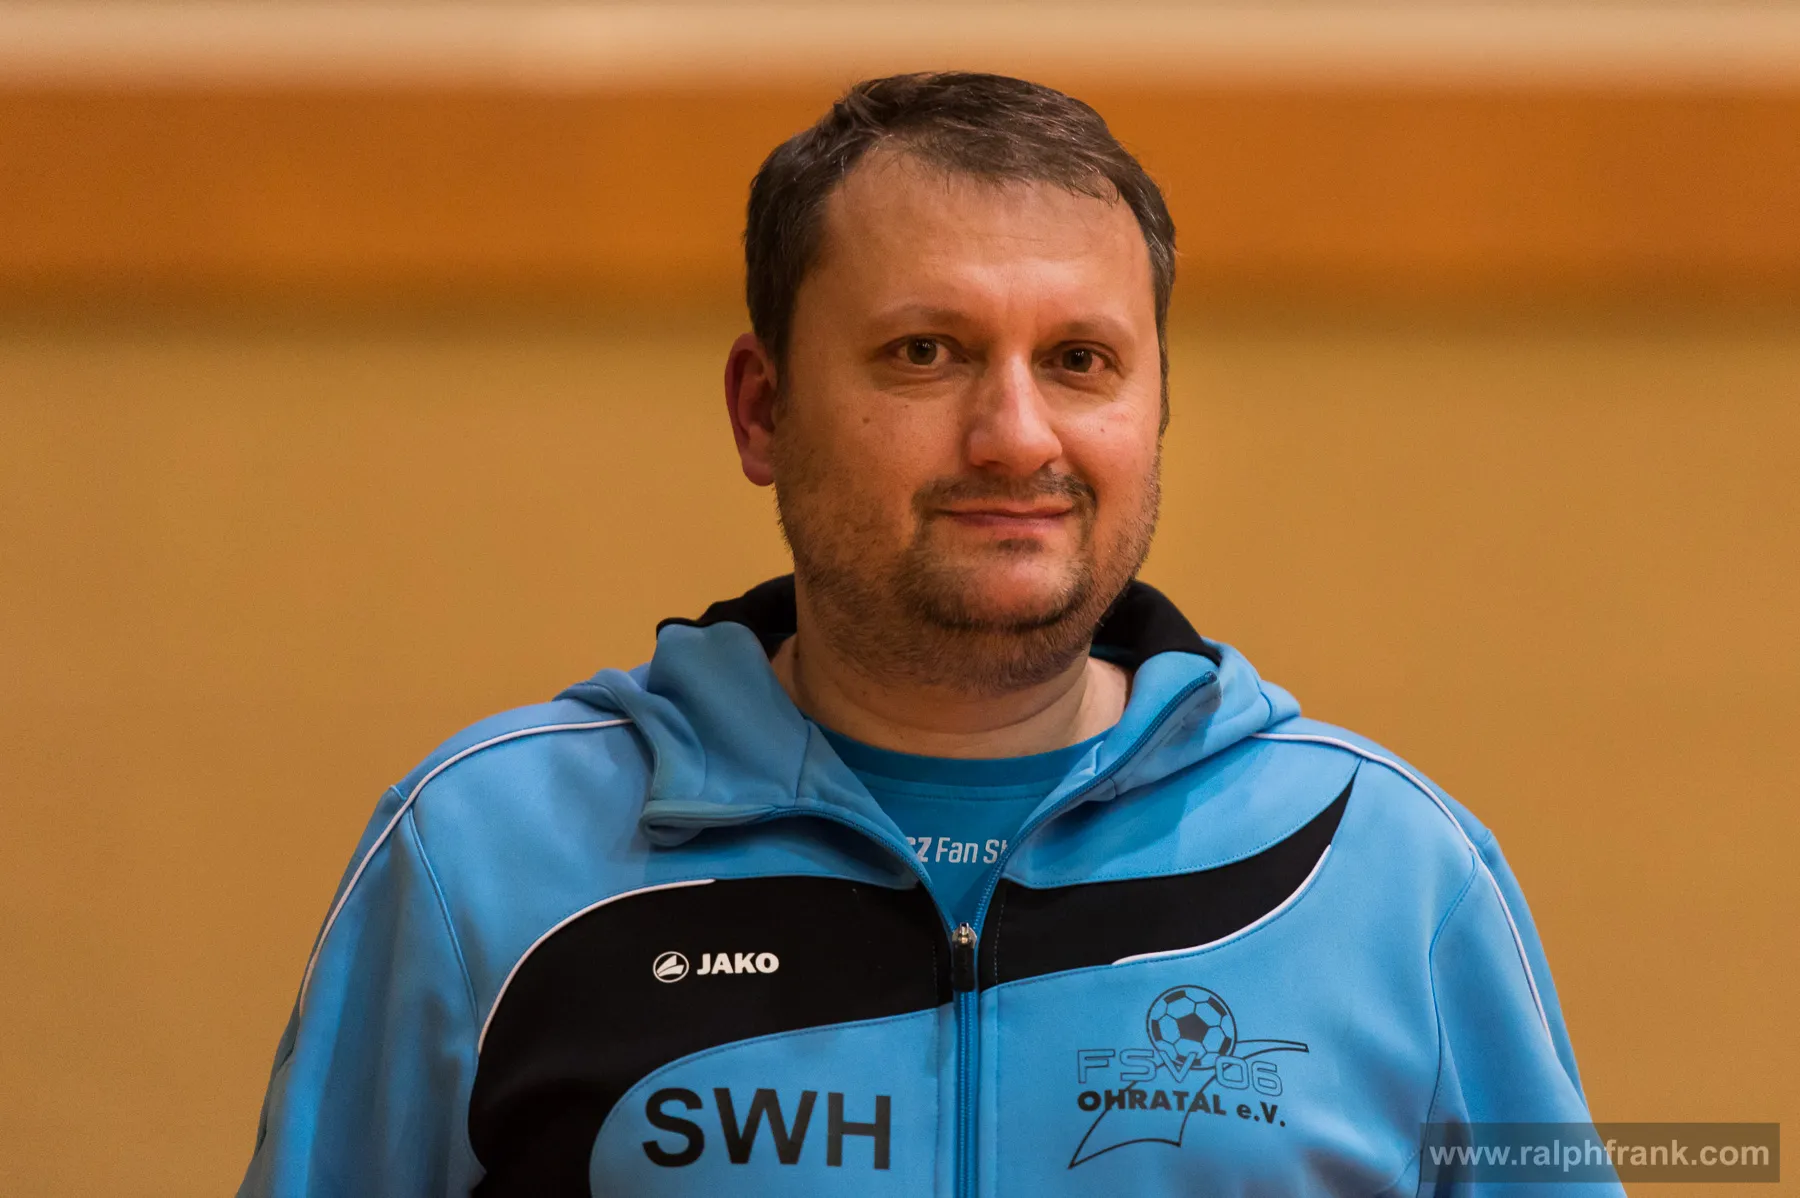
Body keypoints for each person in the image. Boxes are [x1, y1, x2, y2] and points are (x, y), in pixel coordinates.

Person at [240, 72, 1612, 1197]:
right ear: (763, 410)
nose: (1015, 435)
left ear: (1155, 411)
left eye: (1079, 361)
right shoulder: (480, 856)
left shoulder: (1389, 874)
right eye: (924, 353)